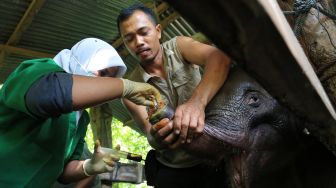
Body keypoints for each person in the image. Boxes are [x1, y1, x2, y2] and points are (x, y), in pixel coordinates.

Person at [0, 38, 161, 187]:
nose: (105, 84)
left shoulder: (81, 119)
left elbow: (63, 172)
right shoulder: (39, 70)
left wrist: (89, 167)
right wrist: (125, 87)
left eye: (111, 79)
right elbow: (49, 94)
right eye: (103, 73)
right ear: (80, 61)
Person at [117, 3, 231, 187]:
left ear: (158, 31)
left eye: (143, 32)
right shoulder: (130, 90)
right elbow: (150, 134)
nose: (138, 42)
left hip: (215, 155)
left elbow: (219, 58)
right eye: (129, 38)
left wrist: (196, 103)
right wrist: (157, 136)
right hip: (175, 168)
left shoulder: (179, 46)